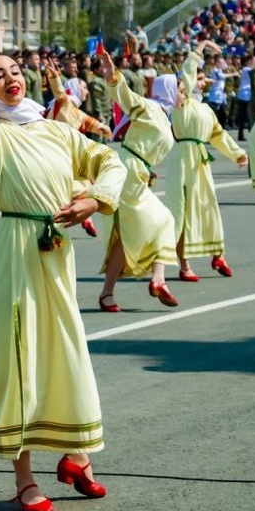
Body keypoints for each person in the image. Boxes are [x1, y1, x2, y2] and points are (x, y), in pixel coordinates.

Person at [0, 0, 126, 511]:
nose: (11, 79)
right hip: (16, 249)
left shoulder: (51, 128)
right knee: (22, 360)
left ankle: (77, 457)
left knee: (68, 352)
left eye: (15, 71)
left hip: (55, 250)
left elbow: (109, 161)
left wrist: (95, 199)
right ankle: (24, 479)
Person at [98, 46, 181, 312]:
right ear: (169, 90)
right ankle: (158, 279)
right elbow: (127, 98)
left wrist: (148, 168)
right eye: (179, 89)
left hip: (138, 171)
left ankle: (107, 294)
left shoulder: (166, 118)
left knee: (126, 235)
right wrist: (114, 77)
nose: (183, 94)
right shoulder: (150, 106)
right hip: (128, 172)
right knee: (164, 220)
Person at [168, 42, 248, 281]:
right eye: (199, 79)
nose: (202, 82)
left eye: (203, 79)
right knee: (182, 211)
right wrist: (200, 48)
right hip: (184, 159)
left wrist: (237, 154)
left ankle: (218, 254)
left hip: (201, 161)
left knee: (208, 205)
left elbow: (218, 134)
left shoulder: (205, 109)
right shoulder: (182, 105)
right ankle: (184, 265)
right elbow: (188, 71)